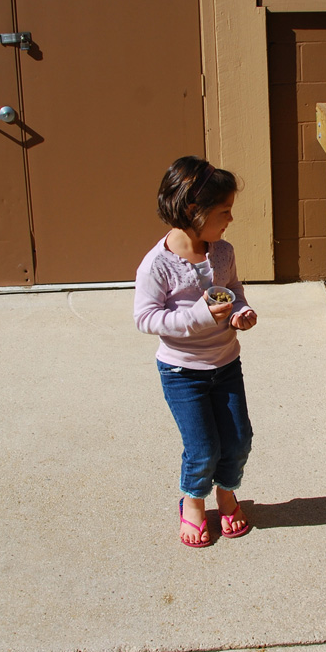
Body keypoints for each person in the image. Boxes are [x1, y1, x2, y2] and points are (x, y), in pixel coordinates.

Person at [134, 156, 257, 548]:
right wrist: (200, 317)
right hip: (182, 372)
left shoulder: (222, 252)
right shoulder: (157, 266)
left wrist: (241, 311)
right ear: (192, 210)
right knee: (203, 448)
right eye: (224, 211)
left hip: (225, 363)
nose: (230, 220)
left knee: (238, 440)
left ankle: (226, 493)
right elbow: (146, 318)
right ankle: (193, 502)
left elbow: (234, 290)